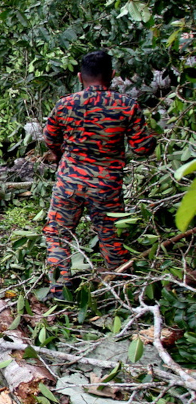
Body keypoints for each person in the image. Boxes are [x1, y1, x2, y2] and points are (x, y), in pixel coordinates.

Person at [43, 50, 156, 299]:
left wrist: (62, 154)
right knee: (110, 233)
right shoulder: (127, 105)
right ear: (112, 76)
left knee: (57, 232)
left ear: (79, 76)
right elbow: (142, 148)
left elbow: (50, 138)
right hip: (107, 184)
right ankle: (121, 288)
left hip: (69, 181)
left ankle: (60, 287)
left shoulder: (66, 104)